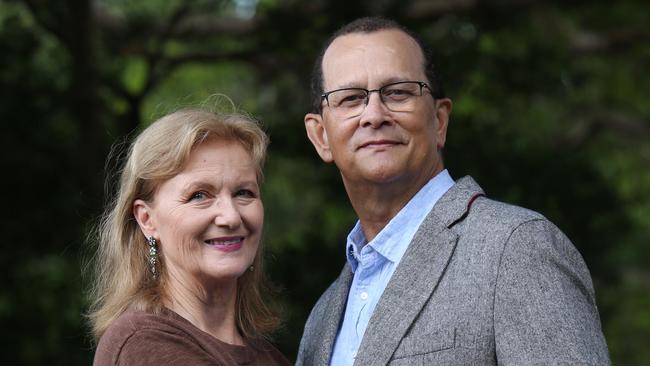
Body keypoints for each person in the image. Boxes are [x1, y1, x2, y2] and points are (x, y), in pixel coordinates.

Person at [297, 16, 610, 365]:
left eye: (398, 92)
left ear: (439, 120)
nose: (374, 114)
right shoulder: (323, 317)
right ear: (321, 136)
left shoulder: (516, 248)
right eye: (351, 98)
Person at [87, 109, 290, 365]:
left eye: (244, 193)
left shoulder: (269, 357)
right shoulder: (143, 344)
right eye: (199, 195)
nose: (231, 217)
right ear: (147, 220)